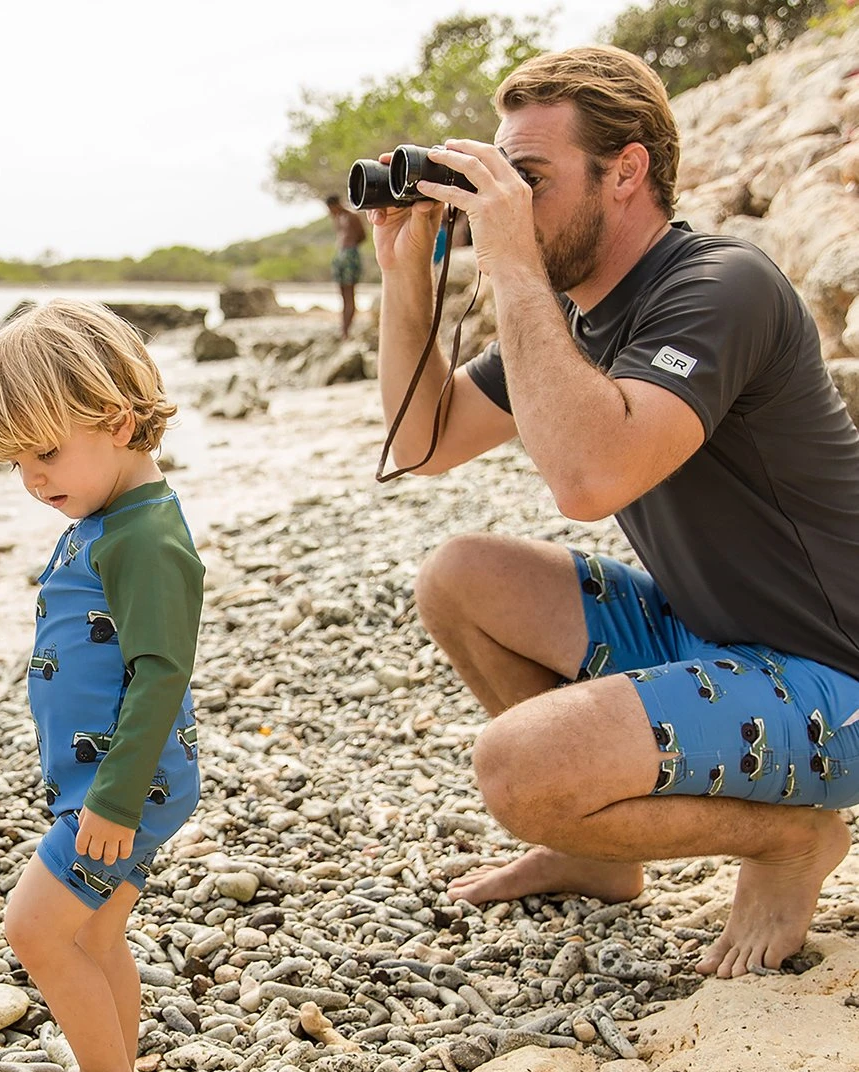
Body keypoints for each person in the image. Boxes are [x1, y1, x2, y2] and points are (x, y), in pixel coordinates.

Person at [368, 46, 859, 980]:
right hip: (715, 638)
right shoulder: (575, 315)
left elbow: (592, 481)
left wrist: (509, 262)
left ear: (625, 171)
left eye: (531, 178)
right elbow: (420, 442)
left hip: (835, 679)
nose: (508, 199)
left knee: (519, 768)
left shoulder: (722, 286)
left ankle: (793, 840)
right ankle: (598, 855)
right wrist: (405, 273)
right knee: (460, 578)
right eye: (502, 179)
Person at [0, 299, 204, 1072]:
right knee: (93, 934)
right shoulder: (105, 515)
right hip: (104, 778)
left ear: (119, 419)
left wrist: (114, 799)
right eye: (17, 460)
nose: (32, 477)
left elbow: (163, 673)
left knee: (33, 926)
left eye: (46, 451)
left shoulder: (144, 539)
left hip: (123, 782)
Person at [326, 193, 367, 338]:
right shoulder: (337, 219)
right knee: (343, 294)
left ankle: (346, 330)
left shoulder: (352, 216)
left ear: (336, 204)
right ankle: (343, 329)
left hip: (349, 255)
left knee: (349, 294)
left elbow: (362, 236)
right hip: (340, 255)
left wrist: (350, 248)